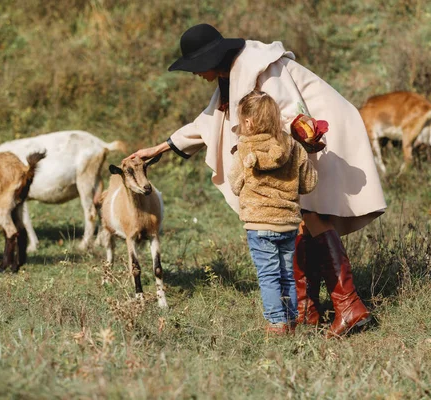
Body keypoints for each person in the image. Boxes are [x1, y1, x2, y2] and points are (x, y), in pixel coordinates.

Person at [128, 23, 387, 337]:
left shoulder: (259, 66)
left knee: (313, 215)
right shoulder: (232, 75)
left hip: (321, 132)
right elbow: (209, 122)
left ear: (212, 58)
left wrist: (305, 137)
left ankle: (348, 307)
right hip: (297, 140)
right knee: (303, 217)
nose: (196, 75)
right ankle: (309, 310)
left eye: (197, 67)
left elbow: (292, 110)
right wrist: (159, 148)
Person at [228, 90, 318, 335]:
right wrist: (307, 155)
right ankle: (290, 321)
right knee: (287, 274)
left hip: (259, 225)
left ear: (248, 122)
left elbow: (235, 185)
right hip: (287, 223)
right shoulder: (293, 146)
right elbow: (308, 185)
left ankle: (276, 324)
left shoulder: (245, 148)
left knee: (268, 276)